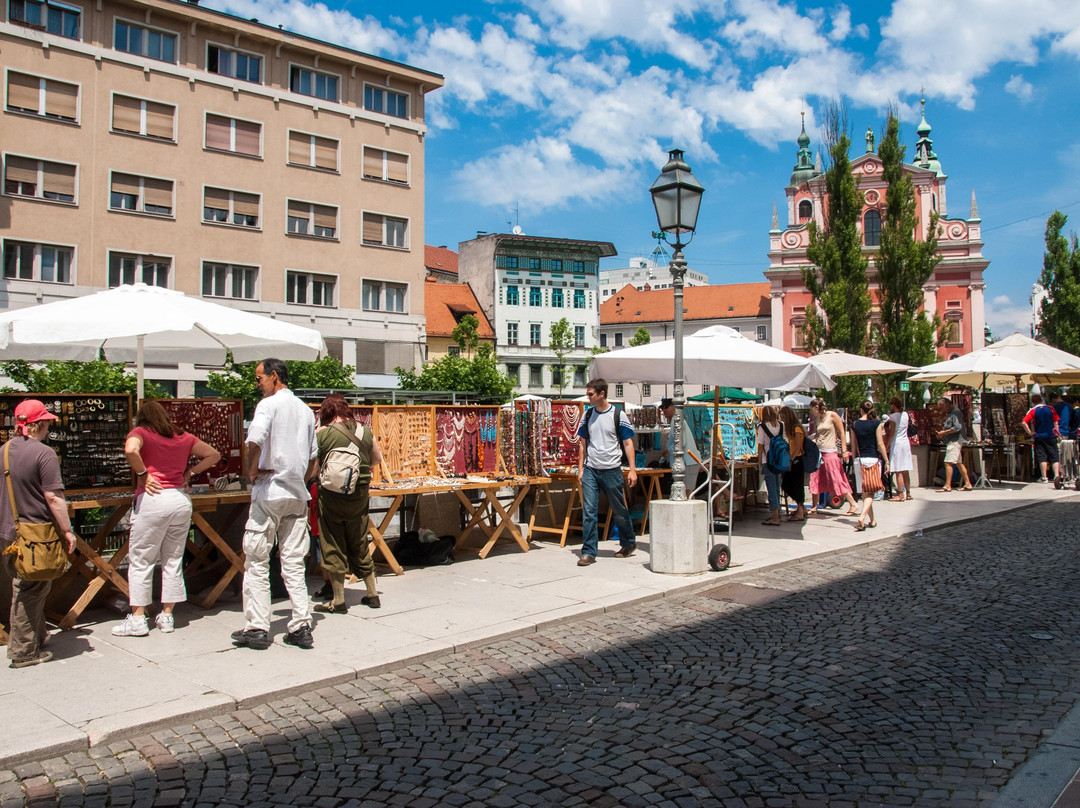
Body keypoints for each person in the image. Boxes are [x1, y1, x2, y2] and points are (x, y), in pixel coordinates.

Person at [113, 400, 220, 637]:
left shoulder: (140, 432)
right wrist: (189, 473)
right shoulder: (182, 436)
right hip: (180, 500)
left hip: (153, 498)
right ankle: (168, 616)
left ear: (142, 417)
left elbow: (131, 449)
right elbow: (214, 454)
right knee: (173, 559)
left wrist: (143, 474)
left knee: (142, 560)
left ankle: (139, 618)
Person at [232, 358, 318, 651]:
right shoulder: (306, 411)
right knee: (293, 562)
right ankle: (301, 624)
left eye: (259, 379)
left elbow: (254, 441)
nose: (257, 385)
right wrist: (299, 480)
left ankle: (257, 626)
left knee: (257, 559)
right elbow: (313, 459)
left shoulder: (268, 405)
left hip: (270, 491)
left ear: (273, 376)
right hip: (295, 494)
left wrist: (251, 472)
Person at [0, 400, 77, 668]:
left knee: (25, 584)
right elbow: (54, 498)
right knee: (31, 588)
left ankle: (36, 637)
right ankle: (23, 652)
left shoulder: (4, 450)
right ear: (39, 424)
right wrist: (67, 531)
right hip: (35, 534)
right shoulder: (44, 454)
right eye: (46, 422)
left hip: (8, 532)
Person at [313, 393, 384, 612]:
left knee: (332, 542)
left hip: (331, 496)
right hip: (359, 494)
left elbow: (314, 468)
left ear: (326, 411)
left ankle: (339, 600)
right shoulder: (364, 430)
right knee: (359, 539)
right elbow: (376, 459)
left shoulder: (321, 434)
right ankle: (372, 594)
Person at [576, 378, 637, 566]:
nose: (588, 397)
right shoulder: (587, 415)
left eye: (591, 394)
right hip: (591, 470)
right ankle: (588, 552)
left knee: (619, 510)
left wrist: (632, 470)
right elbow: (582, 443)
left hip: (612, 469)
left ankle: (628, 542)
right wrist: (580, 469)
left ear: (601, 394)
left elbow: (628, 443)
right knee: (589, 511)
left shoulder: (618, 415)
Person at [806, 398, 857, 516]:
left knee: (836, 478)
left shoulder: (832, 415)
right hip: (819, 451)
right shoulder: (817, 419)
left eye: (812, 410)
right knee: (815, 477)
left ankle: (852, 503)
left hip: (830, 451)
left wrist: (844, 450)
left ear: (817, 408)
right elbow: (818, 434)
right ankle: (814, 505)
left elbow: (841, 432)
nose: (812, 412)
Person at [851, 400, 889, 531]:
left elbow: (854, 446)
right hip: (872, 460)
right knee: (871, 492)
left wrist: (853, 461)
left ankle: (872, 520)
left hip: (859, 461)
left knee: (865, 493)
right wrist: (887, 460)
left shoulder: (854, 424)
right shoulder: (876, 424)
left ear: (861, 410)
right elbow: (880, 444)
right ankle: (862, 517)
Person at [937, 396, 973, 491]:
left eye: (942, 407)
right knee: (958, 463)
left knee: (948, 462)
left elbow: (957, 427)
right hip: (953, 440)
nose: (942, 409)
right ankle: (968, 483)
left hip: (955, 441)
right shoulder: (951, 413)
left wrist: (943, 433)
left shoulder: (955, 412)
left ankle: (947, 485)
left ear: (947, 404)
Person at [1022, 392, 1060, 483]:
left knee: (1041, 456)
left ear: (1033, 402)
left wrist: (1030, 433)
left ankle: (1044, 477)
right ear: (1041, 400)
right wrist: (1057, 433)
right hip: (1051, 436)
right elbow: (1055, 422)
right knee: (1054, 456)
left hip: (1039, 436)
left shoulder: (1033, 410)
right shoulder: (1051, 409)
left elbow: (1023, 422)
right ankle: (1056, 476)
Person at [757, 405, 785, 526]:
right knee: (777, 486)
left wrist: (759, 462)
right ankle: (777, 513)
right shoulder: (781, 425)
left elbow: (760, 445)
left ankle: (775, 516)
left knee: (771, 487)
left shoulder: (762, 427)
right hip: (779, 460)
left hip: (767, 461)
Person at [778, 406, 807, 522]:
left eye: (783, 417)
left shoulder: (797, 429)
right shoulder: (791, 429)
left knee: (796, 485)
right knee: (786, 484)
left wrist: (790, 460)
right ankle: (801, 507)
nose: (782, 420)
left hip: (797, 460)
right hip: (793, 459)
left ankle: (800, 510)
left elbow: (798, 447)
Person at [886, 397, 914, 502]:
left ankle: (900, 494)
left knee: (898, 470)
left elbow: (892, 433)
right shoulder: (906, 414)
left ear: (893, 405)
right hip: (905, 442)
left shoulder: (893, 417)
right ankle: (908, 493)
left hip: (897, 443)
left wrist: (887, 445)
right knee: (905, 469)